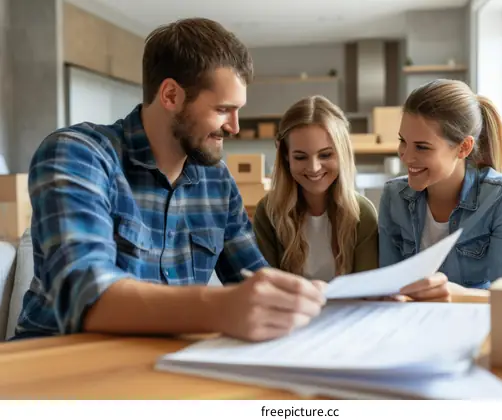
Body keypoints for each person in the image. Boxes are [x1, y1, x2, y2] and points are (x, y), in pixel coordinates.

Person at [14, 18, 328, 343]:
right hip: (58, 366)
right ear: (170, 95)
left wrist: (319, 302)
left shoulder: (216, 181)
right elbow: (85, 296)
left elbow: (255, 274)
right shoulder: (77, 154)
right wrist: (220, 308)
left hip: (159, 365)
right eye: (223, 109)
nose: (234, 126)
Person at [378, 79, 502, 293]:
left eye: (422, 147)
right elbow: (386, 286)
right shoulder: (393, 196)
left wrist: (454, 294)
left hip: (476, 322)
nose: (406, 156)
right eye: (403, 141)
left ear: (463, 148)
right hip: (411, 321)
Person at [252, 95, 379, 282]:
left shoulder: (363, 214)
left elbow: (368, 288)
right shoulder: (268, 212)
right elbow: (266, 286)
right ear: (286, 156)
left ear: (342, 152)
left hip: (349, 311)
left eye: (325, 155)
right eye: (301, 157)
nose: (314, 168)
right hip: (290, 311)